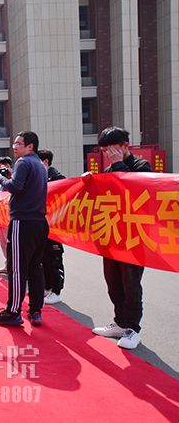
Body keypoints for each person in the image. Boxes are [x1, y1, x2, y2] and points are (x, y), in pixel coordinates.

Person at [91, 127, 151, 350]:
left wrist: (118, 165)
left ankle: (132, 329)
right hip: (112, 235)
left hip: (134, 238)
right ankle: (120, 322)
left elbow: (134, 191)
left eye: (111, 149)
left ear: (125, 145)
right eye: (104, 150)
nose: (108, 154)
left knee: (131, 284)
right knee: (113, 282)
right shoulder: (108, 169)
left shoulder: (142, 166)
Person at [0, 131, 49, 327]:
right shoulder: (40, 165)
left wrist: (0, 179)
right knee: (35, 267)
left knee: (16, 269)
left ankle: (13, 311)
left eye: (18, 144)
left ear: (30, 146)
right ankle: (36, 310)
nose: (14, 147)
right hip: (39, 222)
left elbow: (15, 187)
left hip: (22, 221)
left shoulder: (23, 162)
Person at [37, 149, 66, 304]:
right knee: (44, 258)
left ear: (45, 162)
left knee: (54, 259)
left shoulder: (57, 177)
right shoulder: (38, 177)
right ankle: (47, 287)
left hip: (54, 226)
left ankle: (56, 290)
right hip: (41, 225)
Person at [0, 156, 13, 275]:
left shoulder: (13, 178)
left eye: (0, 168)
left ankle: (12, 265)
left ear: (8, 166)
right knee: (3, 242)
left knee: (10, 242)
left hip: (9, 216)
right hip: (1, 216)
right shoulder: (1, 180)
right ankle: (8, 263)